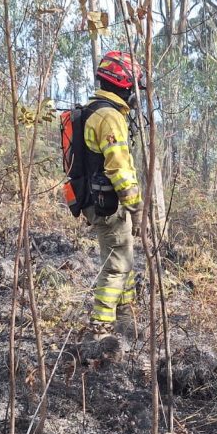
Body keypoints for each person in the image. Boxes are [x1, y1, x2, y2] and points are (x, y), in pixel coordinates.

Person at [80, 51, 144, 339]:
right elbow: (118, 166)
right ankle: (101, 330)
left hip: (97, 201)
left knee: (124, 260)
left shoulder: (94, 110)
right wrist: (136, 205)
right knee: (117, 266)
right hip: (110, 203)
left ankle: (126, 322)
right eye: (132, 86)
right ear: (122, 84)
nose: (133, 92)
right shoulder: (109, 116)